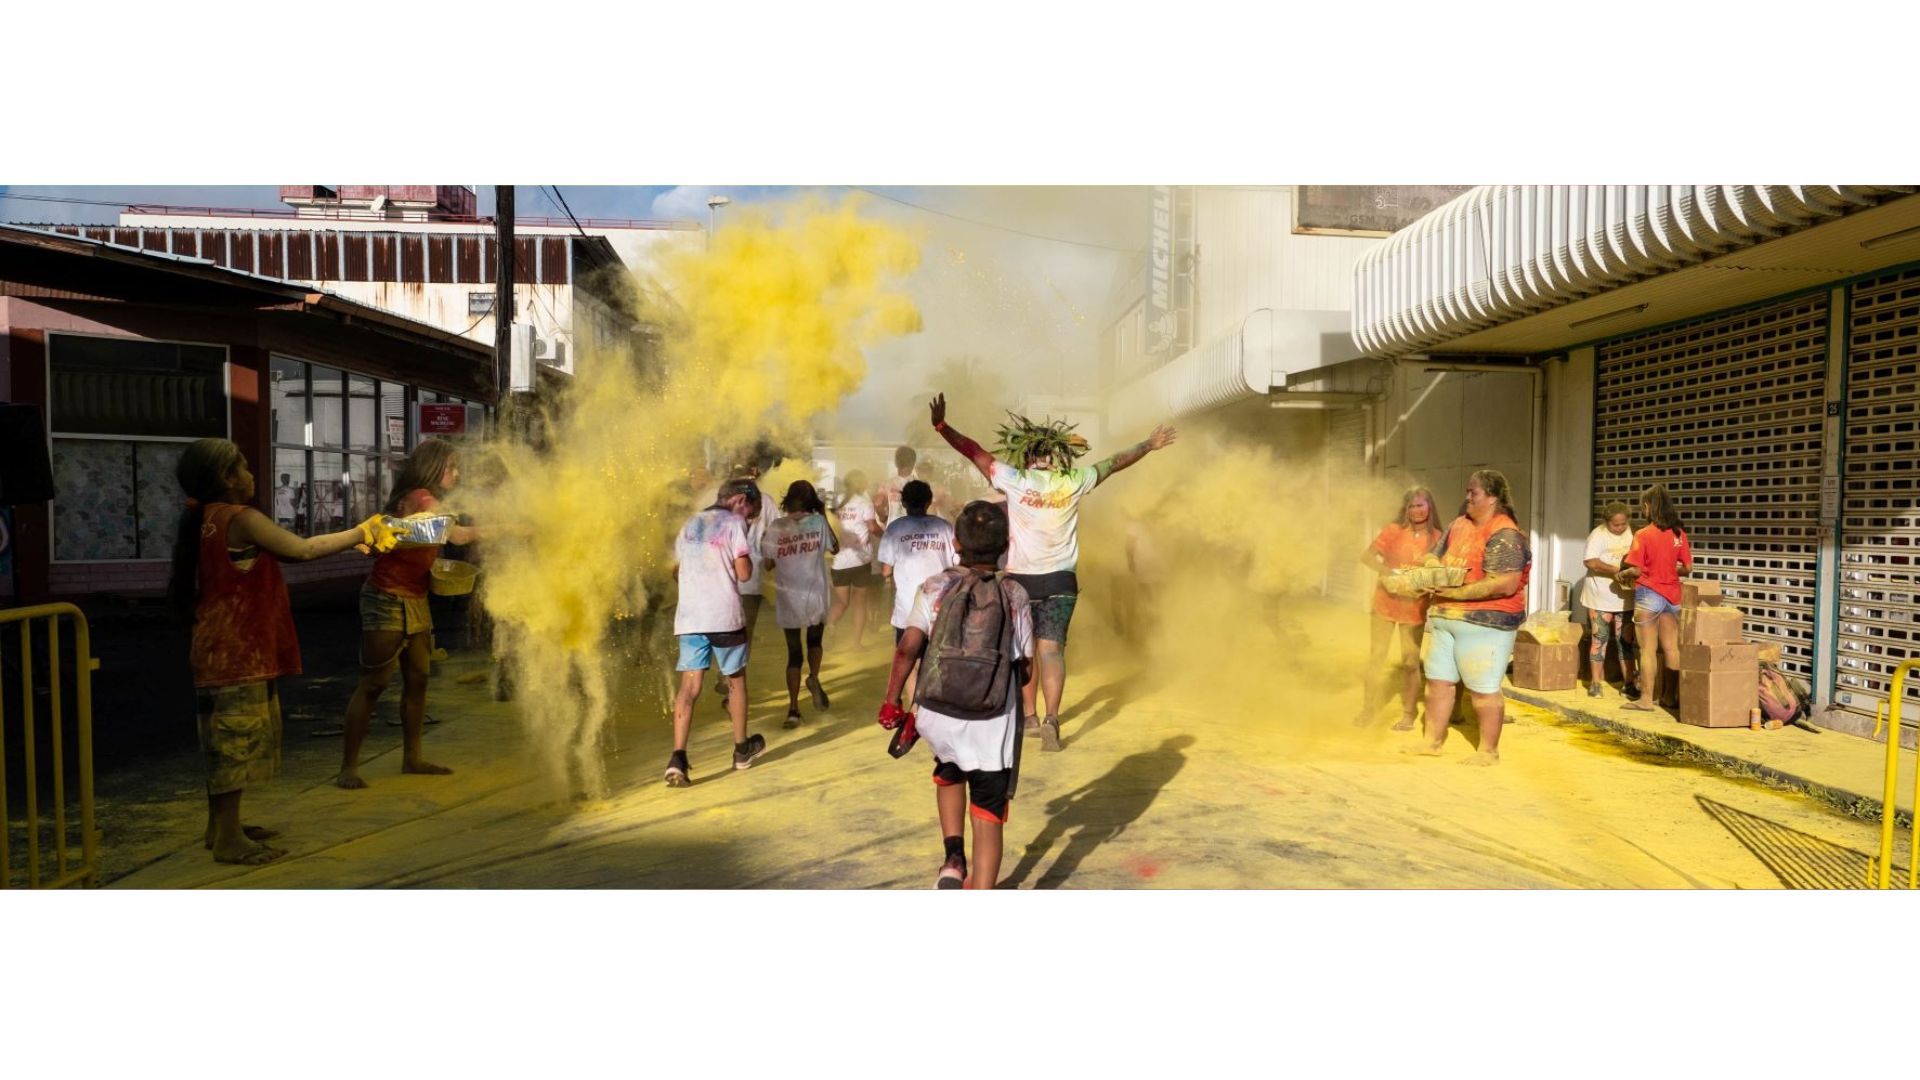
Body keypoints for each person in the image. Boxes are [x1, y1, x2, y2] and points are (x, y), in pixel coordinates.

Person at [168, 438, 395, 863]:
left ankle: (220, 827)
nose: (253, 475)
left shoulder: (206, 518)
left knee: (221, 741)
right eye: (246, 467)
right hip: (239, 650)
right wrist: (364, 531)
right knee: (237, 740)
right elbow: (302, 549)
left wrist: (352, 540)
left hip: (217, 647)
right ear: (227, 478)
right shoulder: (240, 518)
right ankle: (230, 839)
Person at [929, 393, 1177, 752]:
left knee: (1024, 651)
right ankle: (1052, 719)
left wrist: (942, 427)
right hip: (1062, 581)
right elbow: (1114, 463)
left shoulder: (1014, 479)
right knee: (1052, 651)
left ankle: (1028, 716)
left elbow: (975, 451)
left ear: (1028, 457)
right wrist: (1148, 445)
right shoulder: (1072, 480)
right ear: (1052, 457)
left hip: (1019, 582)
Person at [878, 500, 1032, 889]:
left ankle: (952, 862)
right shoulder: (1014, 594)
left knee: (948, 771)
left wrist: (891, 701)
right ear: (1005, 545)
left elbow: (907, 648)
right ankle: (980, 889)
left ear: (957, 543)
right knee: (988, 811)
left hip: (938, 714)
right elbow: (1025, 666)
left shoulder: (935, 586)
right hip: (992, 722)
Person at [336, 438, 476, 789]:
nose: (456, 474)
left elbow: (448, 536)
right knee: (375, 683)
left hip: (415, 597)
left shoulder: (428, 502)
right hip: (386, 597)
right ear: (433, 468)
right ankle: (348, 768)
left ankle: (412, 758)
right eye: (451, 467)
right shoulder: (423, 500)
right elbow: (447, 531)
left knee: (418, 680)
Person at [1408, 470, 1530, 766]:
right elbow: (1433, 555)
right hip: (1445, 617)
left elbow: (1505, 583)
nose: (1467, 498)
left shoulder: (1505, 534)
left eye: (1472, 492)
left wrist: (1455, 591)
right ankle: (1431, 742)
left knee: (1483, 690)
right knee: (1438, 681)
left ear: (1492, 498)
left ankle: (1488, 752)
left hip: (1485, 623)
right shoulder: (1458, 525)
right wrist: (1433, 566)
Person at [665, 478, 769, 786]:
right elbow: (743, 573)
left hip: (690, 618)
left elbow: (676, 570)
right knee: (735, 682)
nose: (749, 518)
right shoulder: (733, 523)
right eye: (751, 511)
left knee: (689, 687)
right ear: (739, 500)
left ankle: (677, 758)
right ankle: (741, 749)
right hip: (725, 617)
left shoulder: (689, 523)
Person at [1356, 486, 1443, 730]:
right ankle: (1367, 709)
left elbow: (1439, 573)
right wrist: (1389, 572)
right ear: (1405, 509)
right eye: (1411, 506)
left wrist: (1427, 586)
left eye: (1420, 505)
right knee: (1376, 658)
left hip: (1414, 607)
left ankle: (1408, 714)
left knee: (1410, 662)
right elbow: (1367, 556)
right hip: (1385, 602)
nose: (1416, 511)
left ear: (1430, 507)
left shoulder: (1437, 538)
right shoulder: (1393, 531)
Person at [760, 480, 840, 728]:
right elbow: (835, 548)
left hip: (788, 597)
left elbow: (768, 564)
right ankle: (814, 677)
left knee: (793, 655)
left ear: (788, 500)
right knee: (815, 641)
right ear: (811, 501)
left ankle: (793, 710)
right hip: (815, 594)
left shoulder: (776, 527)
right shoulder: (818, 522)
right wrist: (824, 514)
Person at [877, 480, 958, 706]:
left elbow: (885, 571)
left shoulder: (895, 529)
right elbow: (956, 563)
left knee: (910, 661)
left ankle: (915, 711)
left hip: (907, 609)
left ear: (903, 503)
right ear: (929, 501)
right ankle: (936, 707)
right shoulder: (944, 527)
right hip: (941, 606)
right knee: (937, 661)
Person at [1622, 484, 1691, 714]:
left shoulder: (1642, 535)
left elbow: (1635, 570)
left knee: (1647, 650)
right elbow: (1688, 568)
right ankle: (1671, 697)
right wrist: (1670, 572)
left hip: (1649, 594)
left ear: (1648, 506)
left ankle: (1646, 700)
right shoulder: (1679, 534)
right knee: (1672, 648)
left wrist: (1621, 573)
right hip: (1672, 596)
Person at [1581, 501, 1641, 700]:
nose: (1620, 528)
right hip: (1600, 597)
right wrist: (1617, 570)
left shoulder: (1632, 533)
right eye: (1616, 524)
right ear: (1607, 522)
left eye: (1623, 524)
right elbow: (1590, 561)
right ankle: (1596, 683)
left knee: (1626, 641)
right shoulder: (1597, 535)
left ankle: (1629, 683)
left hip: (1625, 599)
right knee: (1600, 639)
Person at [828, 469, 884, 649]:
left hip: (839, 561)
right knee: (860, 602)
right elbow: (873, 528)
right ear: (861, 484)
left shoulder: (838, 500)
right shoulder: (864, 502)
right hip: (860, 561)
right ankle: (856, 644)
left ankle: (830, 625)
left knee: (842, 603)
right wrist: (886, 535)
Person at [876, 445, 920, 526]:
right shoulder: (921, 486)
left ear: (896, 463)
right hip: (915, 532)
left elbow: (878, 505)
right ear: (913, 464)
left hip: (894, 530)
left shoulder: (886, 485)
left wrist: (884, 519)